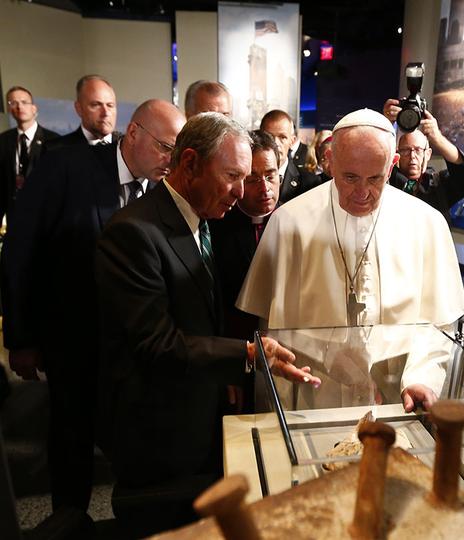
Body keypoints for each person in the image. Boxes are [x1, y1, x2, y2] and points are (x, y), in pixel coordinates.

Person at [94, 113, 319, 531]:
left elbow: (201, 316)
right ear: (191, 163)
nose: (240, 191)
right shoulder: (133, 232)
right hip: (158, 434)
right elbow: (156, 344)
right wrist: (248, 354)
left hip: (198, 415)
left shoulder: (201, 217)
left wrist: (228, 372)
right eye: (232, 175)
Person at [1, 99, 185, 514]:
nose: (171, 162)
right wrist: (21, 337)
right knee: (72, 442)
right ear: (133, 133)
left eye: (177, 152)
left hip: (134, 349)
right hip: (73, 340)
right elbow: (20, 251)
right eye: (164, 148)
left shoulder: (165, 189)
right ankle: (70, 522)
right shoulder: (65, 168)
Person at [237, 108, 464, 412]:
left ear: (392, 165)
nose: (361, 193)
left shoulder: (427, 223)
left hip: (397, 393)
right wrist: (323, 355)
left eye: (375, 178)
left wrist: (421, 377)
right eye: (349, 177)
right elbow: (270, 326)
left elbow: (440, 323)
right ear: (330, 161)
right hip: (312, 392)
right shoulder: (288, 222)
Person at [209, 129, 280, 341]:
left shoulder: (295, 221)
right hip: (232, 343)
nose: (265, 188)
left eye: (270, 175)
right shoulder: (216, 224)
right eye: (253, 179)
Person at [383, 99, 464, 219]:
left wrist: (437, 138)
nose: (412, 156)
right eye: (406, 151)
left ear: (427, 154)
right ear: (397, 155)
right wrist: (384, 125)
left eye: (418, 150)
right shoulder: (387, 181)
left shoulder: (440, 185)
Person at [0, 86, 59, 224]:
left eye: (24, 102)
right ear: (9, 109)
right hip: (14, 217)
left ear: (34, 108)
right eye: (13, 103)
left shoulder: (53, 141)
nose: (19, 106)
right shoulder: (3, 141)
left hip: (45, 218)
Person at [260, 109, 320, 203]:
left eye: (282, 137)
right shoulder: (246, 178)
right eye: (269, 137)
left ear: (292, 141)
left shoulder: (310, 183)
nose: (275, 143)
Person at [46, 74, 118, 149]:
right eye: (96, 105)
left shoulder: (129, 149)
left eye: (110, 105)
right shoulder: (54, 150)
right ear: (79, 108)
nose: (106, 113)